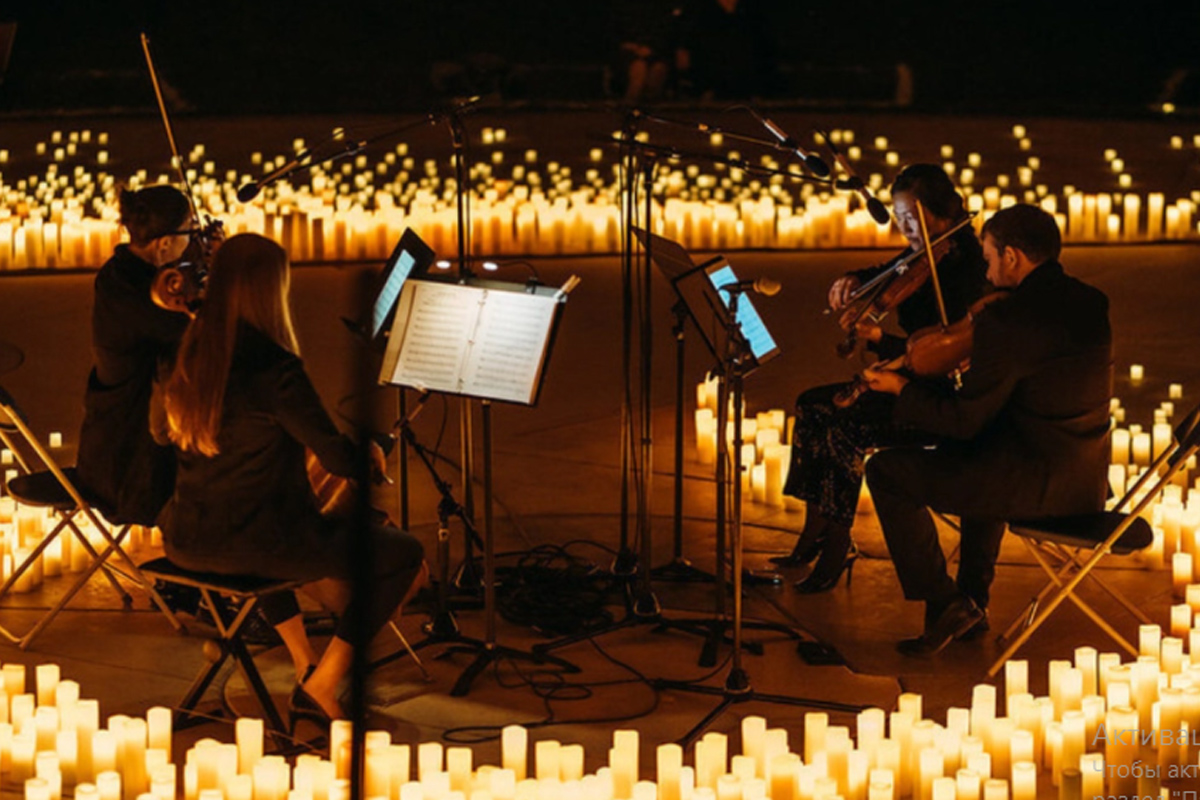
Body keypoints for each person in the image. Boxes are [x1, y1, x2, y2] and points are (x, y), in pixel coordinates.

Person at [154, 233, 426, 725]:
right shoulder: (274, 367)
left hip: (187, 538)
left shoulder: (189, 350)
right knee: (402, 554)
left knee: (258, 522)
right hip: (258, 544)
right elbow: (339, 461)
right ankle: (324, 683)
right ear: (270, 291)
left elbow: (161, 432)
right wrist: (366, 450)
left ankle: (304, 660)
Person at [863, 204, 1112, 656]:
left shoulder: (1006, 319)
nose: (988, 267)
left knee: (886, 471)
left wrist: (901, 388)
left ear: (1013, 256)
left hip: (1036, 488)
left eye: (991, 256)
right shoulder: (1092, 302)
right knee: (983, 456)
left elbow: (961, 420)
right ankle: (972, 602)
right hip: (1085, 483)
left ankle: (948, 601)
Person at [778, 164, 989, 593]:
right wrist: (853, 279)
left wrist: (880, 340)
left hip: (937, 396)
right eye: (899, 218)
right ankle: (815, 529)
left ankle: (838, 544)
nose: (903, 227)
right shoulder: (924, 252)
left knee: (845, 428)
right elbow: (889, 270)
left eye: (912, 217)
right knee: (812, 406)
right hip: (908, 380)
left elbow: (937, 356)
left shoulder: (966, 267)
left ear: (942, 213)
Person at [76, 185, 195, 525]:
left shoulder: (126, 272)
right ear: (164, 243)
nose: (193, 239)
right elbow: (189, 331)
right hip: (127, 459)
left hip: (120, 437)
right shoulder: (133, 290)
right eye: (190, 232)